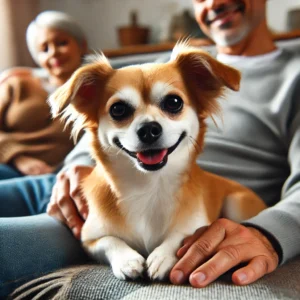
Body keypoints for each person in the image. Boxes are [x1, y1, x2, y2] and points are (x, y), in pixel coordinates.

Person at [1, 0, 300, 297]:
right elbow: (96, 128)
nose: (215, 3)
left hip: (179, 197)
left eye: (172, 103)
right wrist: (72, 167)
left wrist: (269, 233)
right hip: (77, 189)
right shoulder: (159, 67)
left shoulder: (286, 76)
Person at [0, 10, 87, 180]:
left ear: (82, 45)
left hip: (48, 178)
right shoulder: (18, 84)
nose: (53, 52)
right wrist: (18, 158)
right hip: (6, 164)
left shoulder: (94, 93)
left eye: (62, 42)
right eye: (44, 49)